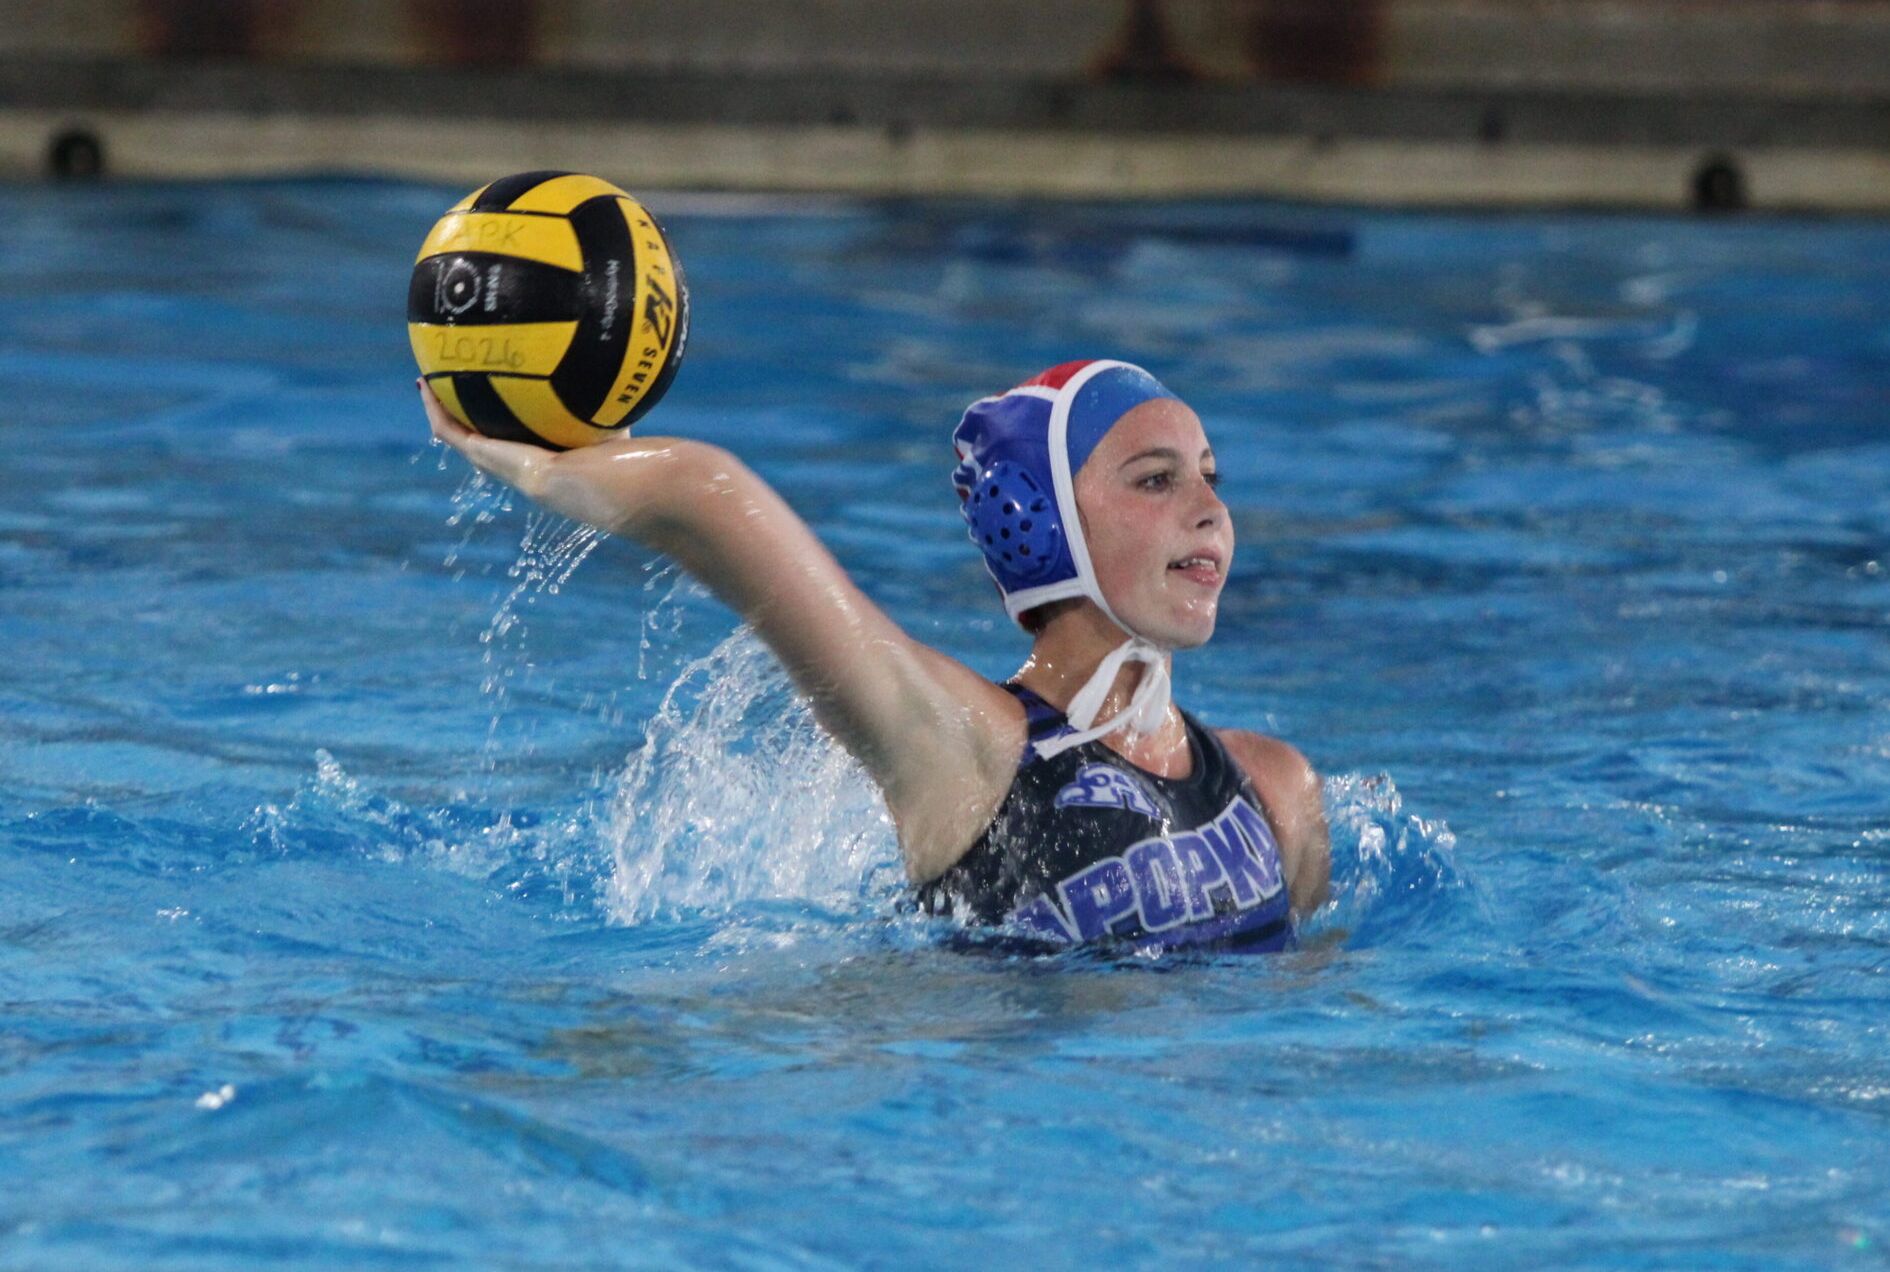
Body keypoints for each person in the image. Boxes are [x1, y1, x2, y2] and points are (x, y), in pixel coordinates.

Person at [419, 358, 1329, 953]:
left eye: (1211, 476)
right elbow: (711, 500)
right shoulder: (970, 754)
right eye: (1157, 480)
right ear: (1040, 519)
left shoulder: (1276, 793)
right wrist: (545, 468)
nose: (1210, 510)